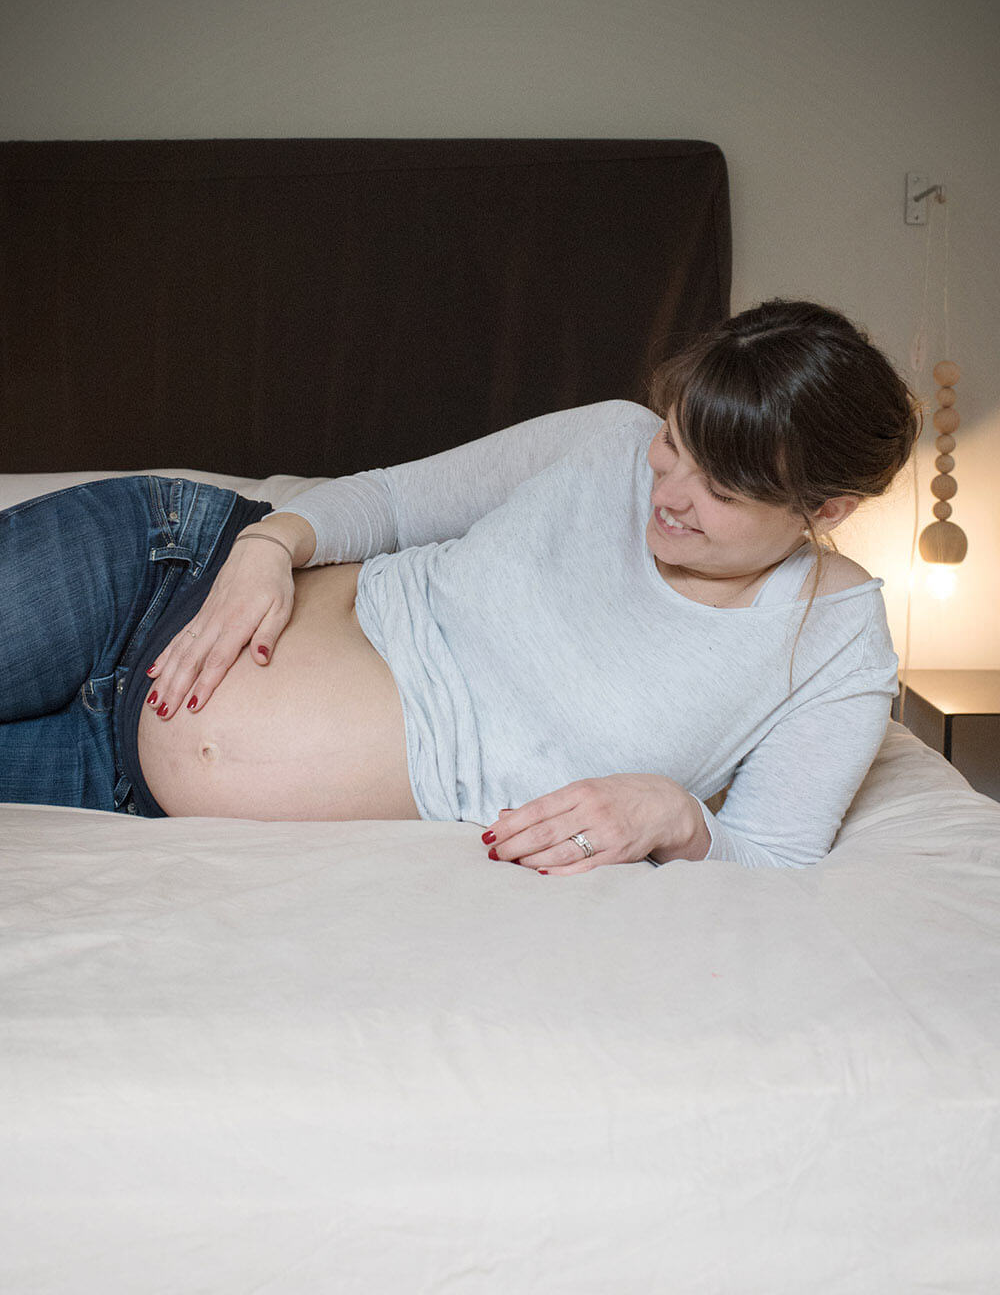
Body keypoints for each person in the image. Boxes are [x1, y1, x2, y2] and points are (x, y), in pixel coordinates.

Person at [0, 300, 919, 871]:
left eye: (720, 489)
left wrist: (678, 817)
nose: (668, 495)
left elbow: (774, 853)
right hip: (161, 575)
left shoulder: (836, 645)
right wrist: (270, 546)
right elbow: (396, 499)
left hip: (119, 777)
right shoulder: (602, 441)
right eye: (674, 442)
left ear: (825, 508)